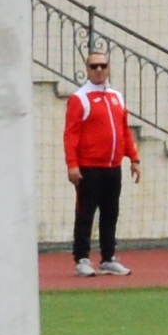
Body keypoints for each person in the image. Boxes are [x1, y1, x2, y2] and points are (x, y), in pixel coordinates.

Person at [64, 48, 139, 276]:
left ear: (108, 69)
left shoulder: (116, 97)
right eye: (94, 66)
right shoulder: (80, 98)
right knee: (86, 213)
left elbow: (123, 131)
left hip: (112, 167)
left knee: (110, 213)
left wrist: (133, 158)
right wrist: (72, 164)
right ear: (87, 69)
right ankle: (82, 258)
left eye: (103, 66)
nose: (99, 70)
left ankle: (108, 257)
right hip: (89, 167)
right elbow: (71, 134)